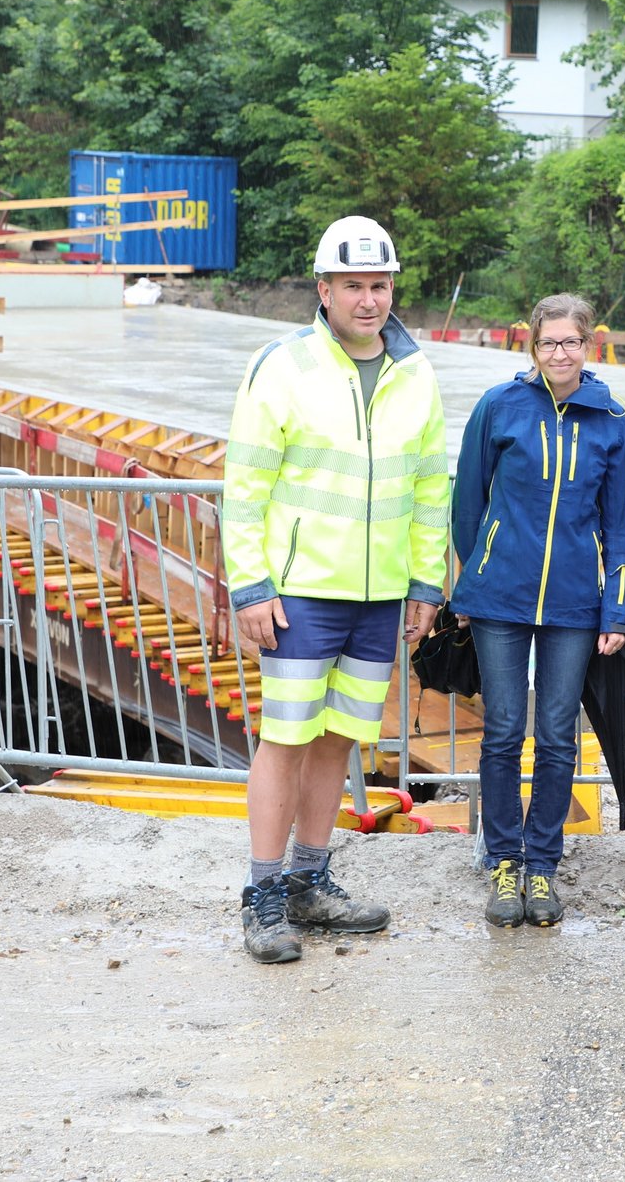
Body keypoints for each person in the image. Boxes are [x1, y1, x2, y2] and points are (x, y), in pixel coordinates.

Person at [223, 216, 449, 965]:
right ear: (323, 289)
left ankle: (309, 881)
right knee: (284, 738)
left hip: (378, 594)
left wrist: (424, 580)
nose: (368, 299)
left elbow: (427, 487)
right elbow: (246, 483)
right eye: (352, 284)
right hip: (299, 595)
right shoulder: (282, 366)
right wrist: (251, 584)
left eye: (379, 284)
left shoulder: (415, 372)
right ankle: (261, 894)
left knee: (338, 739)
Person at [453, 293, 625, 930]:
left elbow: (620, 521)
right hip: (500, 597)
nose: (560, 353)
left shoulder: (610, 418)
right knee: (504, 730)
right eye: (548, 342)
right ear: (531, 347)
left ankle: (543, 867)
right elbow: (467, 499)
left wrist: (616, 609)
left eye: (571, 342)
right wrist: (476, 573)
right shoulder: (500, 407)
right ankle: (504, 859)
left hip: (574, 603)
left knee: (558, 735)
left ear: (590, 345)